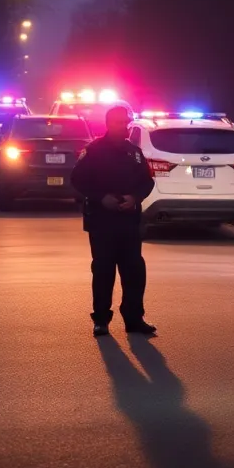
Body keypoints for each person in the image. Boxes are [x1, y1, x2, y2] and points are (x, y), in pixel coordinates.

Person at [70, 105, 157, 337]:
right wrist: (101, 197)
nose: (124, 126)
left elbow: (147, 182)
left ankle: (134, 319)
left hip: (129, 221)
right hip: (102, 221)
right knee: (103, 271)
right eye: (119, 122)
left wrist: (134, 198)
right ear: (109, 124)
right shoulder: (94, 150)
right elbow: (77, 179)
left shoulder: (134, 152)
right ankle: (101, 320)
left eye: (126, 122)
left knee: (134, 271)